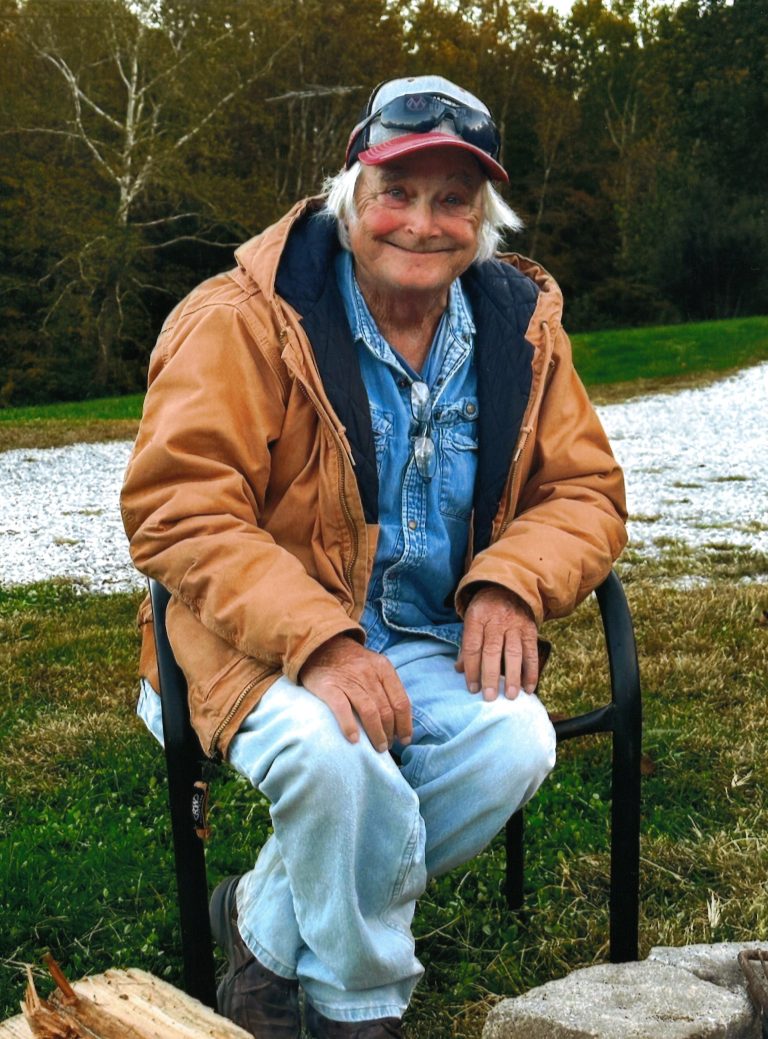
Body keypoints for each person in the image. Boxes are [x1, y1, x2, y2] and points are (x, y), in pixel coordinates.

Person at [121, 75, 627, 1039]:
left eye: (453, 200)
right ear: (350, 193)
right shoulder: (243, 317)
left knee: (518, 741)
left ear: (483, 220)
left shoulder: (520, 328)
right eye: (398, 191)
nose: (423, 224)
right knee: (336, 756)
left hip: (428, 636)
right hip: (253, 639)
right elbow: (178, 508)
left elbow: (585, 491)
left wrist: (511, 582)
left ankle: (263, 929)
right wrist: (319, 639)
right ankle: (359, 1006)